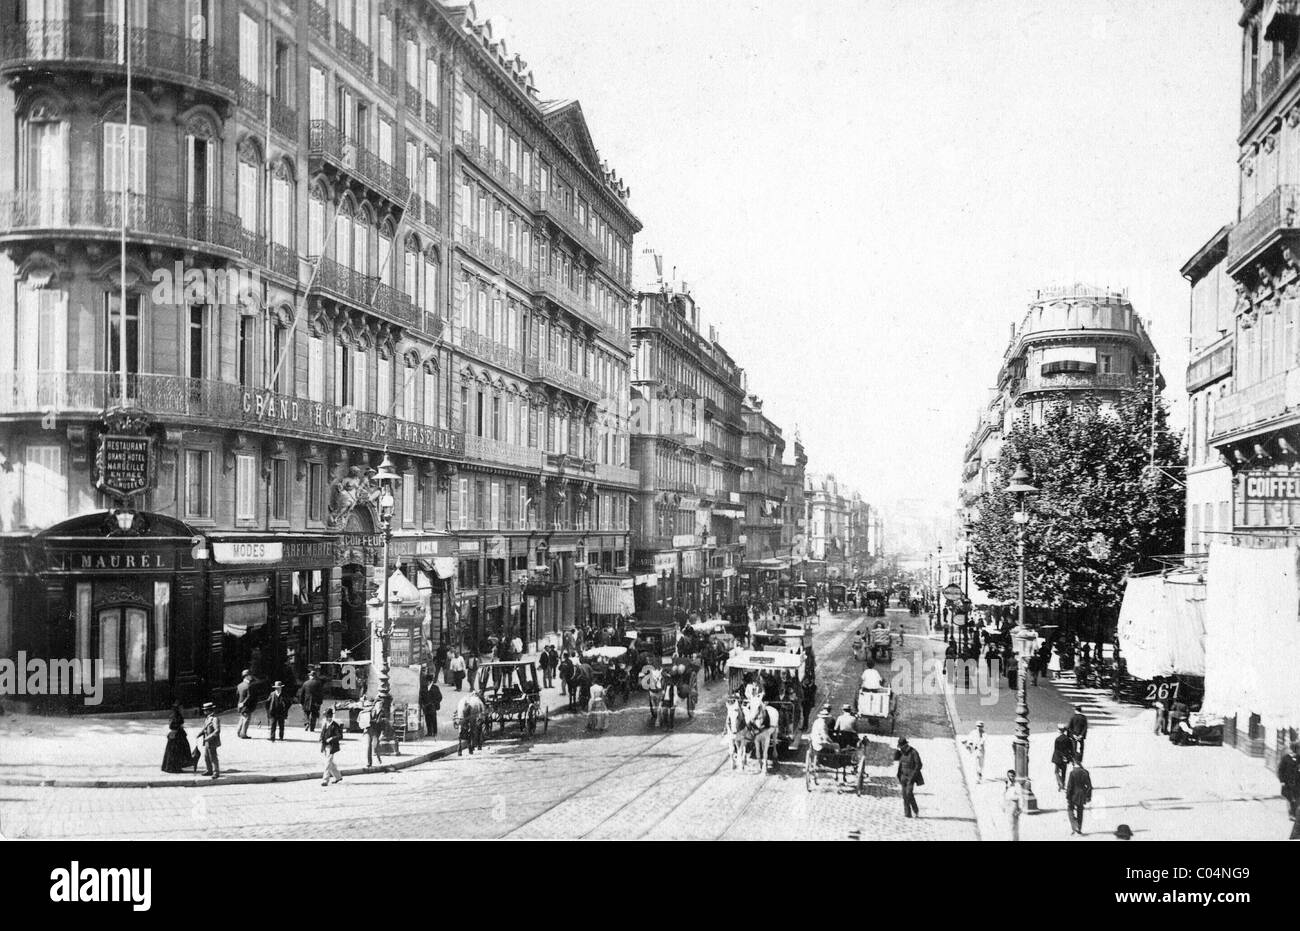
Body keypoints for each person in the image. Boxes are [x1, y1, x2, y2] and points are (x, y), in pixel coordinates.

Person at [894, 737, 923, 818]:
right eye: (900, 747)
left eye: (901, 747)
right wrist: (897, 751)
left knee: (909, 793)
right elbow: (895, 758)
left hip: (911, 777)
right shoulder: (901, 752)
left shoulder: (913, 752)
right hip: (903, 776)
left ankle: (915, 810)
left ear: (906, 745)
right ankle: (907, 814)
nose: (901, 748)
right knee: (904, 795)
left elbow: (919, 765)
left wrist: (913, 776)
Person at [161, 703, 194, 774]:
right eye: (181, 708)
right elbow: (173, 725)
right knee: (178, 752)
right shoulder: (177, 716)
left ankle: (172, 767)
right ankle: (175, 767)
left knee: (174, 752)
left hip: (177, 735)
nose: (182, 709)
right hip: (178, 736)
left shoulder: (173, 715)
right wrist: (178, 728)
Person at [1065, 759, 1093, 835]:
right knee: (1080, 811)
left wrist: (1068, 796)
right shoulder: (1085, 772)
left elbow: (1070, 786)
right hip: (1082, 795)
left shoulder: (1072, 773)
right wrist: (1088, 796)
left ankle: (1074, 824)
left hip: (1073, 795)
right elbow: (1089, 786)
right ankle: (1079, 828)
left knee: (1070, 809)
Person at [319, 708, 344, 785]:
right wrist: (320, 738)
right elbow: (323, 733)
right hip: (325, 745)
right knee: (330, 763)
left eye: (328, 716)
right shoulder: (325, 724)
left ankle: (325, 780)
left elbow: (340, 736)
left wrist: (331, 738)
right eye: (326, 716)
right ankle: (338, 777)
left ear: (331, 716)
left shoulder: (335, 725)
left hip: (332, 746)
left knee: (327, 763)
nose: (326, 718)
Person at [198, 702, 221, 779]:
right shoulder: (207, 718)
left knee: (213, 757)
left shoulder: (214, 719)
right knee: (206, 756)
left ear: (209, 710)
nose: (204, 711)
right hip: (207, 742)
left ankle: (216, 772)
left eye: (205, 710)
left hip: (212, 741)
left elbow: (217, 730)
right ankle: (209, 770)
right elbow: (205, 728)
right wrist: (200, 733)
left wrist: (208, 737)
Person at [1278, 742, 1300, 821]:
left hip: (1297, 782)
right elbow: (1280, 770)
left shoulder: (1299, 758)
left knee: (1297, 798)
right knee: (1289, 798)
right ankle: (1291, 814)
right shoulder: (1286, 758)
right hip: (1287, 782)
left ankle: (1294, 813)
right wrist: (1282, 781)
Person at [362, 697, 387, 768]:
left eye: (381, 704)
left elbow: (383, 724)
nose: (380, 705)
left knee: (375, 746)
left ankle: (378, 757)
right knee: (368, 746)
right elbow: (365, 718)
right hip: (369, 730)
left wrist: (382, 733)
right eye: (378, 704)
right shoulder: (370, 711)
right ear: (375, 704)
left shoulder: (382, 713)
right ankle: (369, 763)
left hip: (376, 731)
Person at [1051, 723, 1075, 791]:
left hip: (1058, 758)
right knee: (1064, 772)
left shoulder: (1057, 739)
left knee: (1056, 771)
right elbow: (1071, 750)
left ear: (1059, 731)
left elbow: (1057, 749)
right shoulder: (1068, 739)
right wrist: (1071, 759)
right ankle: (1063, 784)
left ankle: (1060, 784)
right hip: (1065, 758)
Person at [1002, 769, 1023, 842]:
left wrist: (1020, 808)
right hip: (1007, 804)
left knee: (1013, 824)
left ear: (1015, 777)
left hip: (1014, 804)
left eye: (1012, 776)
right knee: (1008, 824)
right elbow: (1004, 795)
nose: (1011, 778)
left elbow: (1020, 797)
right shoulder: (1006, 784)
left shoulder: (1017, 785)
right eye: (1009, 776)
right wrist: (1003, 805)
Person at [234, 669, 255, 739]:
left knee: (242, 718)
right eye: (250, 675)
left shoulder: (239, 685)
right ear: (246, 676)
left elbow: (237, 695)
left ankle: (238, 732)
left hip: (240, 705)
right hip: (246, 706)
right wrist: (243, 703)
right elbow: (249, 697)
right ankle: (243, 734)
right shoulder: (249, 685)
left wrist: (240, 703)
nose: (251, 676)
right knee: (246, 719)